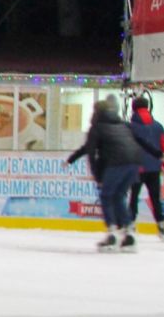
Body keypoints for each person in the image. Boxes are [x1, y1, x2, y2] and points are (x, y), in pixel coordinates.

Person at [66, 97, 158, 253]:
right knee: (118, 196)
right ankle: (129, 234)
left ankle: (112, 234)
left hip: (118, 163)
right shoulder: (122, 124)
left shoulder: (97, 128)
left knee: (107, 196)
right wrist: (158, 154)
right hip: (134, 163)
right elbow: (140, 141)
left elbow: (90, 153)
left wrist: (97, 177)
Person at [127, 96, 164, 241]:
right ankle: (161, 225)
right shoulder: (158, 126)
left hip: (136, 167)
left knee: (133, 197)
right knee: (155, 198)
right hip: (154, 168)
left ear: (133, 109)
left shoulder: (130, 127)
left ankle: (131, 223)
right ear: (148, 108)